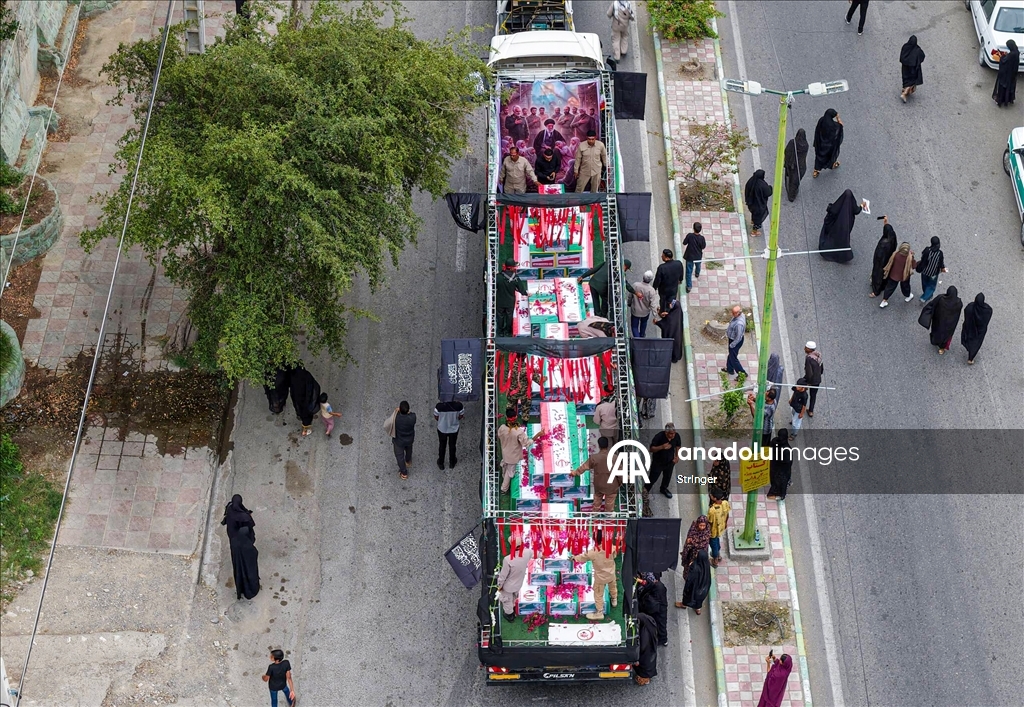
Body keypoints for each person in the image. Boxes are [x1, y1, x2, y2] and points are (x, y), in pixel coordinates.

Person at [573, 534, 618, 620]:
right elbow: (615, 555)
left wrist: (574, 558)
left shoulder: (592, 552)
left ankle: (599, 612)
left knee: (598, 594)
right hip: (611, 574)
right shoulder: (611, 547)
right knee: (613, 587)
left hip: (600, 578)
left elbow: (582, 557)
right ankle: (614, 600)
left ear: (594, 540)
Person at [573, 436, 620, 511]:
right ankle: (609, 516)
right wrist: (619, 483)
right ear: (608, 445)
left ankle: (595, 515)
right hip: (612, 485)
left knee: (597, 501)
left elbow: (584, 467)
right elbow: (620, 473)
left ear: (599, 445)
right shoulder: (615, 458)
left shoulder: (594, 458)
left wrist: (575, 473)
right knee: (609, 504)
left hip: (599, 485)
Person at [818, 189, 864, 263]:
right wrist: (862, 205)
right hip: (846, 226)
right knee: (842, 240)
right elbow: (856, 211)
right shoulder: (851, 206)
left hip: (836, 224)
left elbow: (833, 210)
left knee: (832, 238)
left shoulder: (840, 202)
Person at [498, 407, 538, 493]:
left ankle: (503, 476)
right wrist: (538, 435)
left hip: (505, 452)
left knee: (505, 465)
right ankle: (504, 489)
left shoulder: (502, 427)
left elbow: (499, 435)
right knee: (510, 473)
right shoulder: (518, 432)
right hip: (513, 456)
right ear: (515, 418)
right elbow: (526, 443)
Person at [921, 286, 963, 355]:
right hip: (950, 324)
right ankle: (942, 348)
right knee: (945, 336)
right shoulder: (958, 303)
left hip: (938, 321)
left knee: (936, 332)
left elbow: (932, 305)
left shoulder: (941, 298)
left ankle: (934, 341)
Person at [496, 547, 536, 621]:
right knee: (514, 596)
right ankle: (514, 606)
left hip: (508, 587)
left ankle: (509, 615)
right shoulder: (527, 553)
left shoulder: (507, 559)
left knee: (507, 600)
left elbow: (503, 576)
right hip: (519, 584)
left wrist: (499, 586)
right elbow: (537, 554)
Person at [648, 423, 681, 499]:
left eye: (674, 433)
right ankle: (646, 491)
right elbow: (651, 449)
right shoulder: (659, 437)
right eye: (671, 434)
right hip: (658, 463)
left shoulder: (676, 436)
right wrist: (662, 447)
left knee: (667, 477)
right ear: (666, 432)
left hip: (670, 462)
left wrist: (677, 456)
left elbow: (678, 445)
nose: (673, 436)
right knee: (653, 478)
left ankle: (663, 489)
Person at [878, 242, 916, 308]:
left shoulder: (896, 254)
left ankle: (884, 301)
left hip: (893, 275)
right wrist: (912, 256)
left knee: (889, 288)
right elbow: (914, 266)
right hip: (904, 276)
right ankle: (908, 295)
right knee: (905, 287)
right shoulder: (909, 258)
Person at [496, 258, 528, 336]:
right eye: (514, 266)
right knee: (509, 316)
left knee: (500, 316)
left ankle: (500, 332)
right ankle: (507, 332)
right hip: (510, 301)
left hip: (499, 300)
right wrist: (526, 293)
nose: (515, 268)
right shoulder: (515, 278)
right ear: (511, 267)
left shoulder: (498, 276)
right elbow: (522, 289)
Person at [675, 547, 711, 614]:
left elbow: (690, 579)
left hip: (694, 588)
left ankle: (684, 604)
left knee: (688, 596)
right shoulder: (706, 564)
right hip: (704, 588)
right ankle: (698, 609)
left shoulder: (695, 567)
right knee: (699, 599)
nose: (696, 554)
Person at [869, 217, 898, 298]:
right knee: (885, 276)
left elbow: (879, 256)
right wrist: (886, 222)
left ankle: (876, 291)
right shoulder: (892, 237)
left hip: (880, 263)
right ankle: (882, 286)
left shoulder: (884, 245)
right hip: (888, 262)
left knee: (878, 276)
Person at [636, 573, 669, 646]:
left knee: (659, 624)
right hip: (660, 607)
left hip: (657, 610)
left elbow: (650, 607)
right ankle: (663, 639)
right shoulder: (659, 587)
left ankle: (661, 639)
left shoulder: (656, 591)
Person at [288, 367, 321, 436]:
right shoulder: (306, 375)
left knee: (305, 416)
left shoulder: (293, 377)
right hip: (306, 400)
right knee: (307, 416)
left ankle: (306, 428)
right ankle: (307, 428)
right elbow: (315, 386)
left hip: (300, 401)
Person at [961, 293, 992, 365]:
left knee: (968, 338)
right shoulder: (988, 310)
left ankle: (968, 347)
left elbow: (966, 314)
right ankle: (971, 358)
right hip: (980, 330)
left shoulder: (970, 307)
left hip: (970, 327)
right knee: (976, 343)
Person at [231, 525, 260, 600]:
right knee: (250, 578)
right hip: (249, 567)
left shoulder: (234, 542)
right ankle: (251, 591)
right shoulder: (248, 546)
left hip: (239, 566)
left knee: (240, 576)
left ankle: (241, 590)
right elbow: (254, 553)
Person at [433, 399, 465, 470]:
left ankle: (441, 463)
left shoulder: (439, 406)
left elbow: (436, 416)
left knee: (442, 446)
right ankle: (452, 462)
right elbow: (461, 416)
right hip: (454, 429)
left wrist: (442, 420)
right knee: (452, 445)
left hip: (442, 429)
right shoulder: (459, 406)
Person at [812, 109, 843, 178]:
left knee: (819, 157)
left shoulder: (822, 120)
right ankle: (832, 164)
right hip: (829, 146)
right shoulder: (834, 126)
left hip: (820, 144)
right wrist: (838, 118)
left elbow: (817, 130)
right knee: (830, 157)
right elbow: (840, 126)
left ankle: (816, 170)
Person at [915, 236, 947, 302]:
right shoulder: (940, 253)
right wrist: (943, 268)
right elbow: (940, 263)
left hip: (924, 271)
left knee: (924, 283)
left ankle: (926, 293)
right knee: (931, 285)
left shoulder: (927, 250)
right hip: (933, 273)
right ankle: (925, 297)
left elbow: (923, 258)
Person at [629, 270, 658, 338]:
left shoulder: (635, 285)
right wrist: (655, 315)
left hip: (635, 311)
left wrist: (629, 303)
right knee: (643, 323)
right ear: (650, 280)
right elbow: (653, 304)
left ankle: (638, 339)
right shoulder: (651, 290)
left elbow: (630, 296)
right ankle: (642, 335)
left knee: (634, 326)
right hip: (645, 312)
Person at [744, 169, 772, 236]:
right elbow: (768, 192)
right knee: (758, 218)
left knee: (754, 213)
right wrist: (770, 188)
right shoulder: (762, 185)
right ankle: (754, 232)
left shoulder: (751, 181)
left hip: (751, 203)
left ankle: (753, 220)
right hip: (758, 205)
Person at [767, 428, 793, 500]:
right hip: (782, 469)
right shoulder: (787, 449)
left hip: (774, 466)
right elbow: (789, 462)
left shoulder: (774, 441)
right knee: (782, 482)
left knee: (775, 480)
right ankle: (780, 495)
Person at [392, 401, 416, 479]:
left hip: (399, 440)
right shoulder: (413, 417)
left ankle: (404, 472)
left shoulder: (397, 418)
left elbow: (392, 419)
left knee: (399, 456)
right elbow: (411, 414)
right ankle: (408, 461)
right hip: (409, 439)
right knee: (409, 449)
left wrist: (396, 411)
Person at [784, 128, 809, 202]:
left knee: (791, 180)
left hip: (792, 165)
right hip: (801, 167)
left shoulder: (793, 143)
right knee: (795, 181)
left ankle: (791, 196)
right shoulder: (806, 145)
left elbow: (787, 151)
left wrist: (787, 161)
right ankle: (792, 194)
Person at [634, 613, 659, 685]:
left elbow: (643, 648)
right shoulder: (648, 624)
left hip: (645, 660)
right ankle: (644, 675)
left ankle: (644, 676)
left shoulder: (646, 634)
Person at [655, 299, 683, 364]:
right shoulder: (678, 313)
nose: (670, 305)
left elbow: (665, 325)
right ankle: (675, 357)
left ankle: (671, 357)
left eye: (672, 304)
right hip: (677, 334)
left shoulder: (670, 318)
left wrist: (657, 322)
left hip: (671, 335)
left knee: (671, 346)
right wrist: (667, 315)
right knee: (676, 347)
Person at [707, 491, 730, 568]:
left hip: (713, 530)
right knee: (717, 541)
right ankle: (718, 555)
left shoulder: (712, 510)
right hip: (721, 527)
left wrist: (708, 532)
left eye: (711, 495)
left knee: (713, 544)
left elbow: (710, 522)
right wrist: (725, 523)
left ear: (714, 498)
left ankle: (715, 560)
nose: (710, 496)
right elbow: (727, 515)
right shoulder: (725, 503)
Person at [993, 39, 1019, 107]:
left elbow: (1004, 62)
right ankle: (1009, 99)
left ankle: (1000, 100)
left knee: (1003, 86)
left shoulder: (1011, 55)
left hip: (1006, 74)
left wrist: (1003, 56)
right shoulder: (1016, 52)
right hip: (1013, 73)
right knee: (1010, 86)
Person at [899, 35, 925, 102]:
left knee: (906, 79)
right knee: (911, 82)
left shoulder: (905, 46)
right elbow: (922, 56)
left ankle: (905, 89)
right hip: (913, 69)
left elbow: (902, 57)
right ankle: (904, 93)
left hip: (905, 68)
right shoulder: (917, 50)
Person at [723, 305, 747, 377]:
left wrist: (732, 345)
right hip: (733, 340)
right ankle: (730, 369)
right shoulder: (740, 315)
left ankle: (742, 373)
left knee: (733, 358)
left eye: (733, 313)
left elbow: (738, 337)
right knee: (731, 355)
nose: (732, 314)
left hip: (735, 342)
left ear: (738, 313)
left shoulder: (739, 324)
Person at [682, 222, 707, 292]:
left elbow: (684, 243)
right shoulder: (702, 238)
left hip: (690, 256)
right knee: (698, 265)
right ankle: (697, 273)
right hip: (698, 256)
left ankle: (689, 286)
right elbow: (703, 246)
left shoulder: (690, 236)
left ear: (693, 228)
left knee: (689, 272)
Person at [803, 342, 824, 417]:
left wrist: (808, 383)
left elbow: (809, 373)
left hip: (810, 379)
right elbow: (821, 367)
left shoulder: (809, 358)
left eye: (806, 347)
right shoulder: (818, 355)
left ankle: (801, 408)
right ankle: (811, 411)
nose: (804, 349)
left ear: (809, 349)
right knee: (813, 395)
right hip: (817, 379)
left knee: (801, 390)